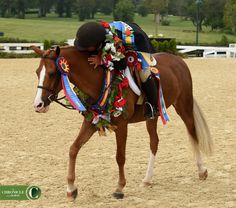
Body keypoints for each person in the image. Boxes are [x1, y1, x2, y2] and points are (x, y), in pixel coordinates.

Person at [74, 21, 158, 119]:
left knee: (144, 74)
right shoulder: (97, 35)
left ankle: (153, 107)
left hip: (138, 42)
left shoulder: (111, 43)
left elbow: (122, 64)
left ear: (96, 44)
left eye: (87, 47)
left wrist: (102, 60)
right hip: (121, 34)